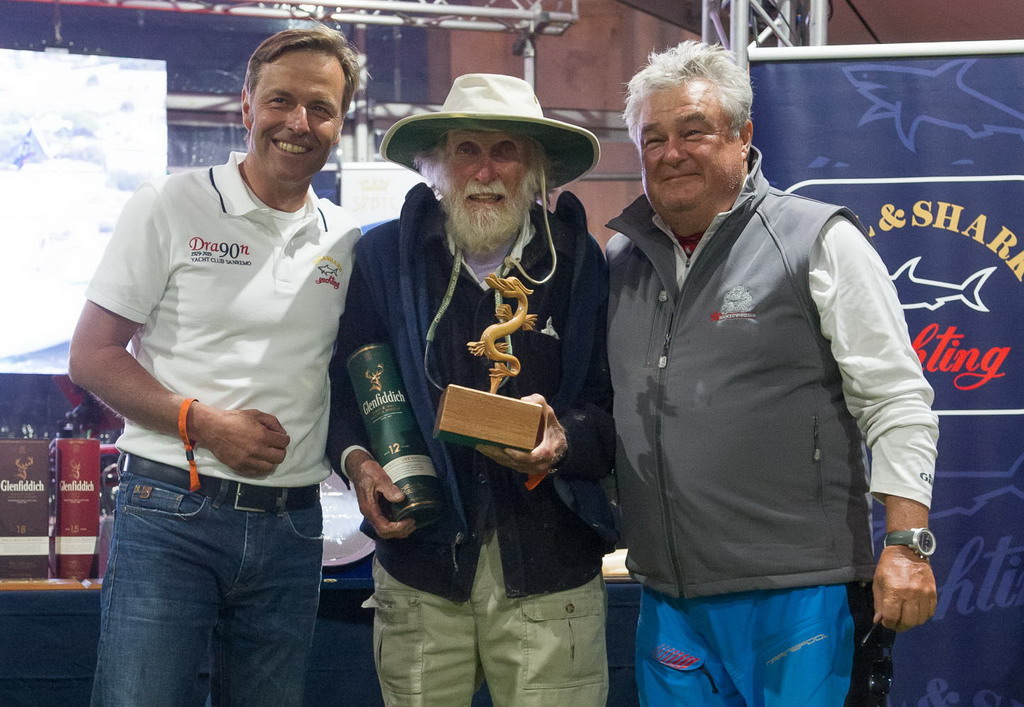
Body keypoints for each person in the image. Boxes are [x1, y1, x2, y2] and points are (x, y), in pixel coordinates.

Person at [605, 41, 940, 706]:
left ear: (743, 136)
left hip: (801, 594)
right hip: (669, 599)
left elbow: (896, 398)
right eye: (654, 138)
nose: (672, 153)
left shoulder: (819, 239)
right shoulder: (621, 259)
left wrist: (907, 543)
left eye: (694, 131)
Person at [68, 25, 362, 707]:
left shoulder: (346, 239)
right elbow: (92, 355)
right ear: (247, 106)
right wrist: (203, 423)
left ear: (341, 123)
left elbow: (348, 380)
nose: (299, 122)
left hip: (295, 527)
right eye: (281, 101)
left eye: (320, 108)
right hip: (172, 513)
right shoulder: (170, 204)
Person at [327, 73, 617, 707]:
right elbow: (343, 397)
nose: (486, 171)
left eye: (506, 151)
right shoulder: (381, 258)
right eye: (467, 150)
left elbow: (609, 406)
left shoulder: (578, 261)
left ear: (535, 169)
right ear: (436, 165)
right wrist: (359, 465)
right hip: (422, 570)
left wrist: (563, 440)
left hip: (550, 571)